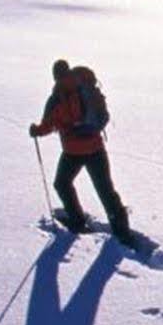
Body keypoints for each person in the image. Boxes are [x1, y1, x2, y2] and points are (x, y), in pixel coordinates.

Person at [28, 58, 134, 246]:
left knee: (62, 183)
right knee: (106, 190)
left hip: (73, 151)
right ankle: (122, 232)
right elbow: (103, 115)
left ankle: (77, 220)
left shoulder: (56, 98)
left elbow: (47, 125)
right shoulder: (86, 86)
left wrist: (35, 130)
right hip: (95, 147)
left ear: (54, 76)